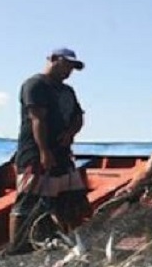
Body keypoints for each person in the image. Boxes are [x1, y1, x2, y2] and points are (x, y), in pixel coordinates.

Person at [10, 48, 91, 252]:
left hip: (63, 155)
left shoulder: (67, 91)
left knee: (73, 201)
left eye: (72, 68)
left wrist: (70, 133)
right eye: (67, 65)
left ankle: (75, 246)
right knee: (27, 203)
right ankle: (16, 250)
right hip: (35, 155)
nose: (69, 71)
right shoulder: (35, 84)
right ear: (53, 60)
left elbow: (78, 116)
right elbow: (37, 118)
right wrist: (44, 151)